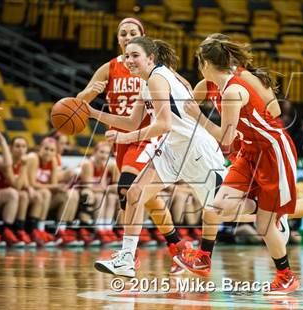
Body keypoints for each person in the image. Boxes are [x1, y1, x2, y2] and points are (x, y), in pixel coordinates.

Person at [174, 39, 303, 295]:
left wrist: (198, 116)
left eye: (199, 62)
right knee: (218, 207)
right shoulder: (209, 84)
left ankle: (286, 276)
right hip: (249, 152)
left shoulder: (233, 89)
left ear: (206, 63)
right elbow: (183, 99)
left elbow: (225, 137)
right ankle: (206, 256)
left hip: (272, 152)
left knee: (265, 222)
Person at [91, 36, 228, 278]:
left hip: (196, 150)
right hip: (172, 149)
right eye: (127, 56)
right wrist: (93, 112)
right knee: (134, 193)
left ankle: (283, 212)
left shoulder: (157, 79)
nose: (129, 60)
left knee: (227, 209)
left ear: (150, 57)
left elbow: (163, 124)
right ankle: (126, 259)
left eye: (136, 56)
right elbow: (132, 121)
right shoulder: (148, 81)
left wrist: (126, 139)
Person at [76, 17, 160, 245]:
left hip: (147, 136)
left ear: (142, 36)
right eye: (123, 33)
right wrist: (90, 92)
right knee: (149, 201)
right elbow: (77, 104)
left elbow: (182, 88)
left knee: (126, 188)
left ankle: (128, 252)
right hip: (120, 138)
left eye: (133, 33)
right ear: (118, 38)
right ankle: (176, 244)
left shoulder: (152, 68)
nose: (127, 37)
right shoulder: (109, 68)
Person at [26, 137, 81, 246]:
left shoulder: (54, 161)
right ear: (40, 149)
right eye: (46, 149)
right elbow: (32, 184)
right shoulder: (33, 158)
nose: (48, 152)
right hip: (29, 194)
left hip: (43, 197)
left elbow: (54, 184)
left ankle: (62, 230)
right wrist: (55, 186)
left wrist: (60, 187)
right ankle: (37, 230)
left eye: (52, 150)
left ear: (55, 152)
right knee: (45, 192)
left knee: (71, 194)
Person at [76, 141, 120, 246]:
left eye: (107, 153)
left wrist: (107, 189)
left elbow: (103, 186)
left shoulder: (105, 165)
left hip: (95, 191)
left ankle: (107, 229)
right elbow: (88, 186)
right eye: (101, 152)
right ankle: (99, 228)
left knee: (112, 197)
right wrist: (107, 189)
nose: (104, 155)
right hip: (80, 191)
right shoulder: (88, 164)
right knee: (101, 196)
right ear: (94, 152)